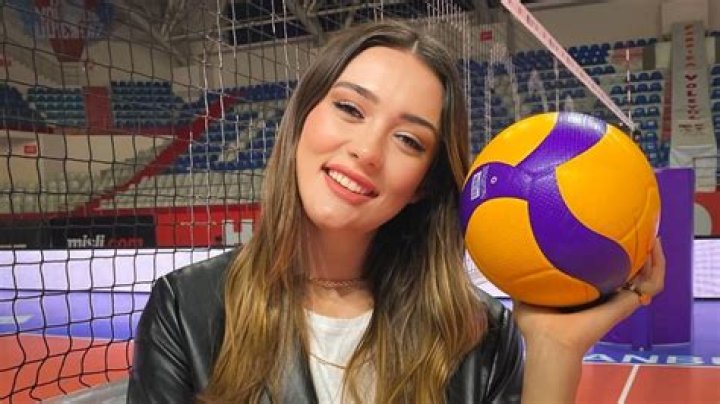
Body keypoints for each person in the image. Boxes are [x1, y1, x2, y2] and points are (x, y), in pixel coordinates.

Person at [127, 20, 665, 403]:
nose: (367, 150)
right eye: (349, 108)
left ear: (423, 185)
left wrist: (553, 349)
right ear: (302, 119)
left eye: (409, 139)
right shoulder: (187, 309)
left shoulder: (479, 334)